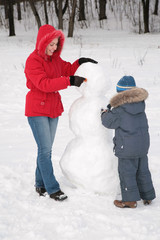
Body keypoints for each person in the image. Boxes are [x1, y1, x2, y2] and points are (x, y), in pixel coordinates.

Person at [24, 24, 97, 201]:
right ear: (42, 43)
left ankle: (40, 184)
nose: (54, 48)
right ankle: (52, 188)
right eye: (51, 44)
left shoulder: (55, 59)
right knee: (45, 151)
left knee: (45, 150)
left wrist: (80, 62)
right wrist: (69, 81)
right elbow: (44, 84)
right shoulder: (33, 61)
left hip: (52, 109)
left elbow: (68, 70)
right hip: (36, 109)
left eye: (56, 44)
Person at [101, 76, 156, 208]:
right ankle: (147, 196)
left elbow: (108, 122)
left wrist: (104, 113)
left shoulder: (120, 109)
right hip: (142, 146)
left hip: (127, 147)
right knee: (143, 171)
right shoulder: (140, 105)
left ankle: (129, 201)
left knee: (127, 173)